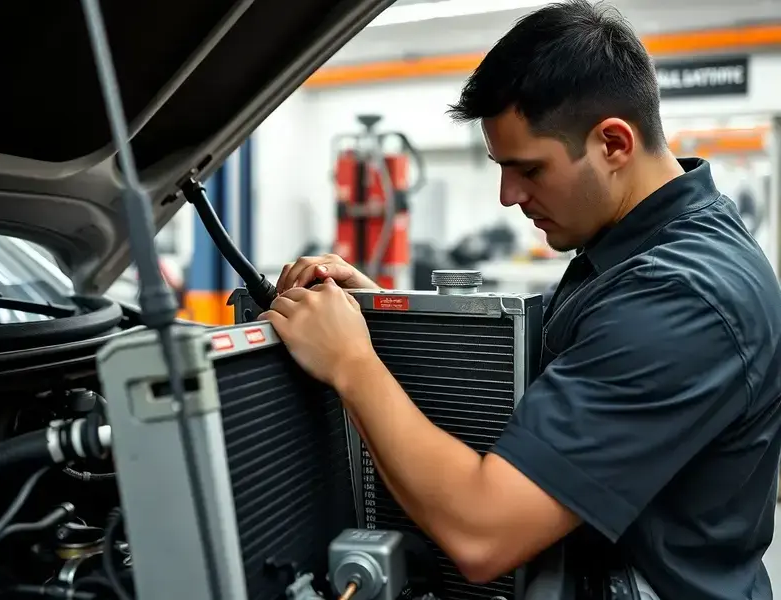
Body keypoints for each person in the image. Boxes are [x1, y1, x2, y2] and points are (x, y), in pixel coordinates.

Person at [259, 1, 781, 598]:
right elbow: (568, 395)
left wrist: (351, 365)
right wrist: (384, 318)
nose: (509, 196)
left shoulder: (680, 298)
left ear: (613, 143)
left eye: (528, 169)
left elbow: (484, 535)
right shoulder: (635, 244)